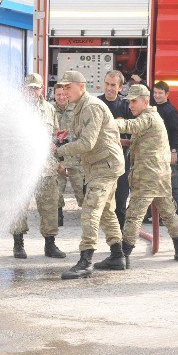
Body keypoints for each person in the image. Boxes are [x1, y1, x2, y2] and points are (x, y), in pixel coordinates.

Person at [54, 71, 125, 279]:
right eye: (63, 88)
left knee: (90, 210)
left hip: (105, 166)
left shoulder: (91, 107)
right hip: (100, 165)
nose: (65, 92)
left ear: (81, 87)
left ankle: (85, 261)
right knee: (106, 212)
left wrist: (59, 151)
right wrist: (61, 142)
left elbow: (87, 143)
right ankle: (118, 256)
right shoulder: (79, 107)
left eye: (69, 87)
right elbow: (79, 137)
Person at [114, 85, 178, 268]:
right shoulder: (150, 118)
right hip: (158, 175)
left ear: (145, 101)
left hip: (149, 176)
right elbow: (143, 141)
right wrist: (125, 142)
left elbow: (131, 126)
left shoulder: (148, 117)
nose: (130, 105)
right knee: (169, 213)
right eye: (129, 101)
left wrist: (107, 121)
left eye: (133, 101)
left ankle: (122, 256)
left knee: (134, 215)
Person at [10, 73, 66, 259]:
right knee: (18, 207)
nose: (33, 91)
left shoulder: (49, 109)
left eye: (36, 87)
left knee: (49, 206)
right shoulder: (15, 109)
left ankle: (50, 245)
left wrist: (59, 158)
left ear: (42, 88)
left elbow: (57, 135)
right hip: (21, 168)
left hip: (46, 167)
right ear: (24, 89)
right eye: (30, 88)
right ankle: (18, 245)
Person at [98, 70, 135, 228]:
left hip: (121, 161)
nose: (109, 88)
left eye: (113, 85)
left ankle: (120, 237)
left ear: (120, 87)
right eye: (107, 84)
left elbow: (134, 135)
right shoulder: (96, 104)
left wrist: (120, 141)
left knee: (120, 200)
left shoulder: (126, 106)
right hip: (99, 161)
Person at [53, 83, 85, 224]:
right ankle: (57, 218)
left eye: (63, 94)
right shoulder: (50, 110)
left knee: (81, 190)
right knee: (55, 190)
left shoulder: (78, 109)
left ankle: (88, 218)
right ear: (54, 95)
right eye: (58, 94)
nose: (61, 97)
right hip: (55, 157)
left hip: (75, 158)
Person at [153, 80, 178, 207]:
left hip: (167, 152)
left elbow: (177, 132)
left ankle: (174, 211)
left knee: (171, 183)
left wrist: (174, 151)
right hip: (155, 153)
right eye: (155, 93)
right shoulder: (153, 108)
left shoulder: (170, 111)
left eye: (160, 93)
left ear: (167, 94)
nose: (157, 95)